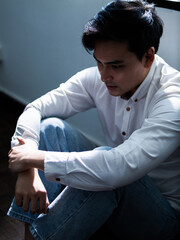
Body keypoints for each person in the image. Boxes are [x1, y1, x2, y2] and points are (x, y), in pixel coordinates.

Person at [7, 1, 180, 239]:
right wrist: (28, 169)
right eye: (99, 62)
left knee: (108, 171)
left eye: (116, 66)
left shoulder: (173, 100)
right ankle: (30, 234)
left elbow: (118, 168)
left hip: (161, 218)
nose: (104, 75)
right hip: (116, 188)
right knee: (52, 129)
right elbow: (36, 108)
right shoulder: (99, 79)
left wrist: (35, 158)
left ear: (148, 56)